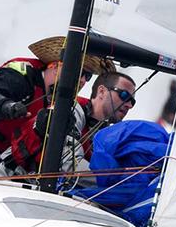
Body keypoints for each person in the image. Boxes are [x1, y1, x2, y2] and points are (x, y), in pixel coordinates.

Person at [0, 35, 114, 178]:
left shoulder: (65, 102)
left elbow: (93, 111)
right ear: (54, 66)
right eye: (79, 72)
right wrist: (8, 107)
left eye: (87, 76)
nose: (82, 79)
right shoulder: (21, 75)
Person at [7, 71, 138, 174]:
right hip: (8, 182)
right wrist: (116, 180)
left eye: (132, 101)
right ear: (102, 91)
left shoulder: (104, 134)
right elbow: (68, 164)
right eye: (124, 96)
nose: (129, 105)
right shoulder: (70, 111)